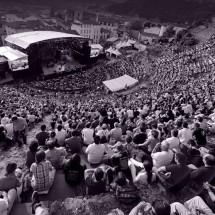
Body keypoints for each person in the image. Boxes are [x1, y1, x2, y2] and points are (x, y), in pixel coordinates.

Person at [128, 196, 214, 215]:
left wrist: (138, 207)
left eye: (152, 211)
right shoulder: (175, 206)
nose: (150, 210)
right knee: (197, 199)